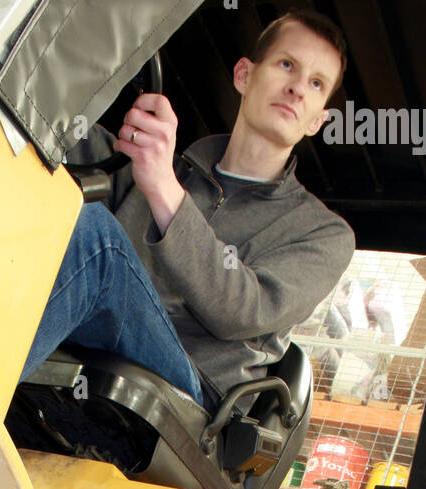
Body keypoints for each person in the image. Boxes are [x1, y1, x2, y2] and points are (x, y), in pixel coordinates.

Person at [21, 9, 356, 413]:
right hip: (91, 344)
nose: (298, 88)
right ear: (244, 76)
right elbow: (58, 132)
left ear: (318, 120)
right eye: (287, 65)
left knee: (100, 242)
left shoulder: (322, 234)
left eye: (316, 84)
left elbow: (241, 310)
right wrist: (32, 91)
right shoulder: (157, 168)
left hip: (189, 401)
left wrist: (163, 187)